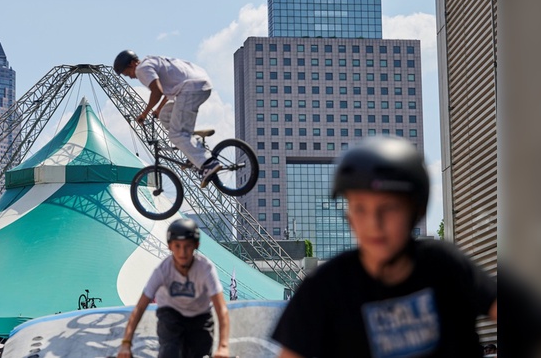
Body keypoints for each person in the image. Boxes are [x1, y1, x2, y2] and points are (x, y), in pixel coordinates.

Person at [271, 136, 498, 358]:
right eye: (360, 208)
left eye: (389, 208)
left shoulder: (444, 264)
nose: (374, 224)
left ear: (416, 209)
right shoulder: (323, 288)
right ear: (348, 216)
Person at [117, 218, 230, 358]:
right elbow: (139, 308)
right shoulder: (162, 270)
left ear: (196, 245)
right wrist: (126, 343)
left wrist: (223, 347)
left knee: (199, 352)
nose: (182, 253)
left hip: (199, 318)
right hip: (171, 316)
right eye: (177, 246)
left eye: (187, 246)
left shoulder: (205, 268)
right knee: (170, 351)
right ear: (170, 246)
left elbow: (221, 309)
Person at [113, 50, 222, 188]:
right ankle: (193, 144)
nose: (130, 77)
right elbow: (166, 90)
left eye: (127, 73)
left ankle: (208, 163)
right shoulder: (152, 61)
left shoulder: (141, 69)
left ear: (132, 63)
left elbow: (157, 91)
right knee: (165, 114)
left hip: (190, 89)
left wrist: (144, 114)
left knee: (176, 134)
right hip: (198, 85)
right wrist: (158, 109)